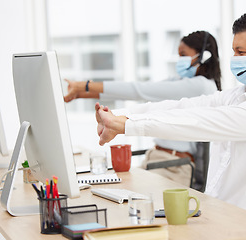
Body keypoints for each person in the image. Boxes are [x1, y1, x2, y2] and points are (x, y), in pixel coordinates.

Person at [94, 9, 246, 223]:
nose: (234, 59)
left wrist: (128, 126)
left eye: (241, 52)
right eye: (234, 52)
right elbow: (185, 108)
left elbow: (200, 122)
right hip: (219, 219)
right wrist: (118, 115)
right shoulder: (239, 95)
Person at [65, 31, 222, 186]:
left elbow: (141, 89)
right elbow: (144, 90)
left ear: (204, 57)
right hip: (155, 158)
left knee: (125, 193)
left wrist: (85, 85)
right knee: (113, 187)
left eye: (183, 55)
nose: (179, 60)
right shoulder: (182, 81)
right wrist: (80, 93)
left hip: (174, 166)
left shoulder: (201, 85)